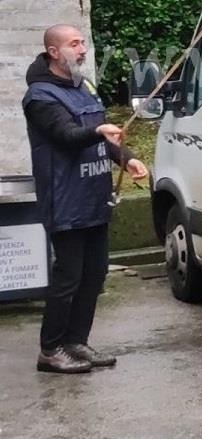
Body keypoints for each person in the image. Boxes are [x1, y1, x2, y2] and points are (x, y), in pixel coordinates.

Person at [22, 24, 149, 373]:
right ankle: (50, 350)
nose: (82, 49)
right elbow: (66, 135)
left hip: (94, 197)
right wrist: (97, 131)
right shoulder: (40, 96)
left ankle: (76, 341)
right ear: (54, 52)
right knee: (68, 277)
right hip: (65, 199)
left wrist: (128, 157)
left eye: (82, 43)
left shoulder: (85, 87)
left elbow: (103, 138)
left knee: (95, 273)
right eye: (74, 44)